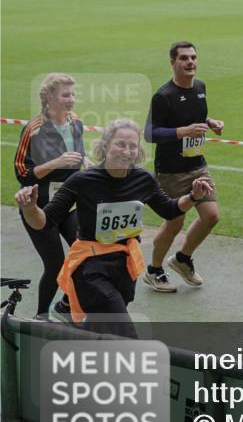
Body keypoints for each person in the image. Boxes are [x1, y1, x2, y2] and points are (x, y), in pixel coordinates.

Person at [14, 119, 212, 337]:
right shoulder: (82, 180)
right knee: (125, 334)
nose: (126, 151)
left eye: (132, 146)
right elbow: (44, 222)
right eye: (120, 144)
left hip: (125, 267)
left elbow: (170, 210)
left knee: (103, 330)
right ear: (106, 145)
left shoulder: (143, 179)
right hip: (90, 269)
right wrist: (30, 208)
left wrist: (194, 196)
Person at [143, 41, 223, 292]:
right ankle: (154, 271)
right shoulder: (163, 96)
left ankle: (182, 259)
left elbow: (194, 118)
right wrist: (183, 132)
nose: (190, 62)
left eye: (193, 57)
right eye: (184, 58)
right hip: (171, 171)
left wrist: (210, 122)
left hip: (197, 165)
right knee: (175, 223)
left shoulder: (200, 87)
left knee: (211, 216)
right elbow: (149, 133)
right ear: (173, 63)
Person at [13, 73, 88, 321]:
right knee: (55, 263)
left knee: (86, 255)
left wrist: (89, 164)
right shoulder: (34, 129)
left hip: (69, 204)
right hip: (39, 208)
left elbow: (79, 157)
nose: (72, 100)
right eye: (66, 95)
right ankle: (41, 316)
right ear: (49, 98)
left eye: (73, 94)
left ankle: (66, 306)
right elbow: (22, 173)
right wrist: (56, 162)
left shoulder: (76, 122)